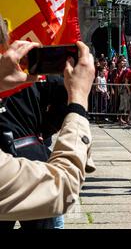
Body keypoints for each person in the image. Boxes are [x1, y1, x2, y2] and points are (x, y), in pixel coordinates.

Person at [0, 40, 95, 222]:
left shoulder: (27, 78)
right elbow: (62, 187)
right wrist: (79, 99)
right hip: (31, 158)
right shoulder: (33, 78)